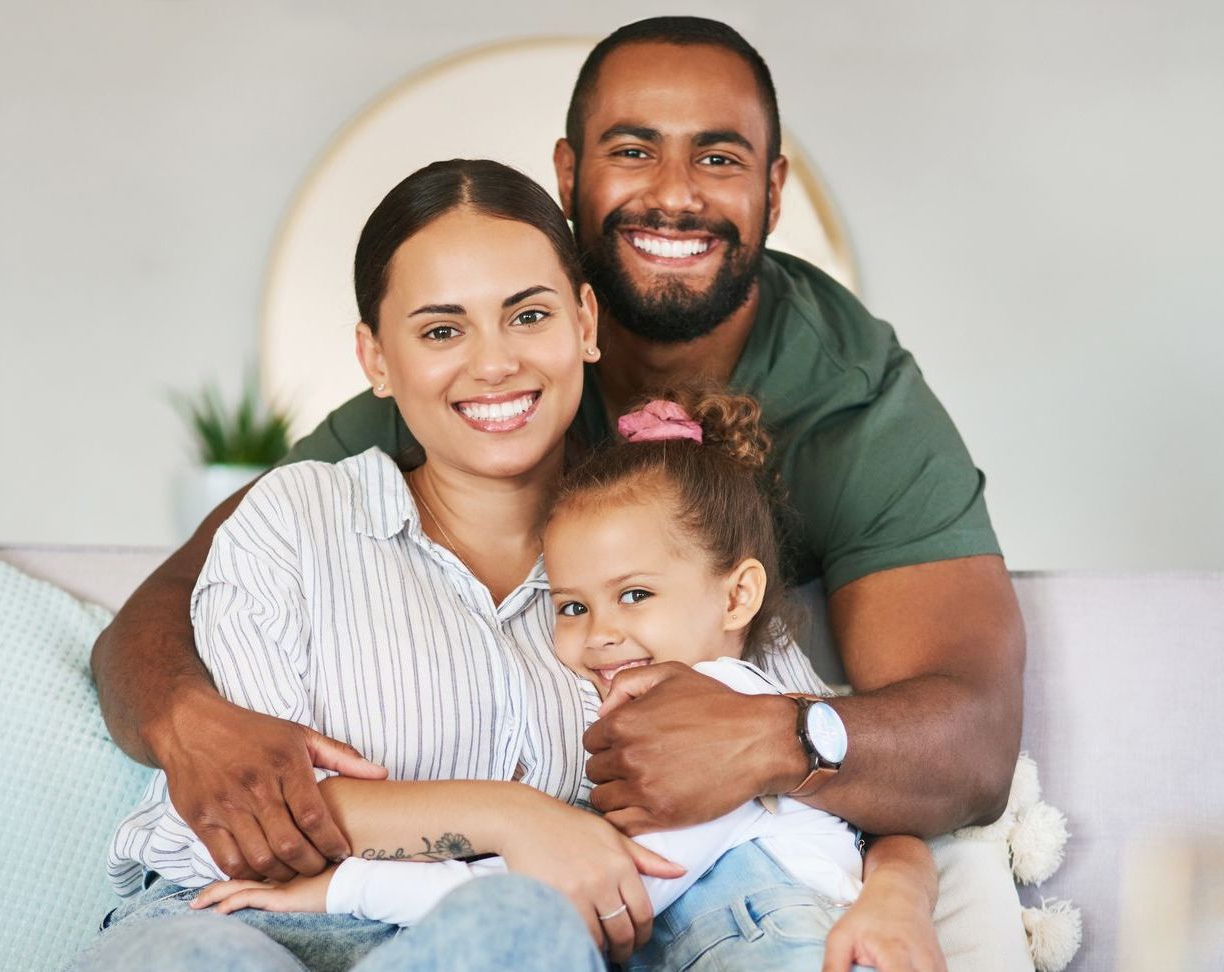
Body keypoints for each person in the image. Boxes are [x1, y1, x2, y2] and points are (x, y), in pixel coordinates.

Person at [91, 8, 1023, 948]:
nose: (674, 195)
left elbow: (964, 743)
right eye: (632, 149)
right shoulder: (379, 456)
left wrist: (790, 757)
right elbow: (171, 601)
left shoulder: (833, 417)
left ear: (773, 190)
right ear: (568, 175)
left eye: (717, 157)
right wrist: (187, 720)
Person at [191, 388, 946, 972]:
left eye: (636, 594)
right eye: (572, 605)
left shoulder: (716, 718)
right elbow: (877, 826)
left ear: (737, 596)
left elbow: (573, 890)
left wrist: (332, 891)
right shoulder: (748, 705)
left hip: (769, 941)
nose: (600, 633)